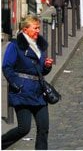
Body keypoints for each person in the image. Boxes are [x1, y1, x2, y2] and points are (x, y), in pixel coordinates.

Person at [2, 15, 54, 150]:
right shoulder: (14, 45)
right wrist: (17, 85)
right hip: (22, 93)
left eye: (39, 28)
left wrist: (47, 66)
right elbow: (6, 67)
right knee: (23, 129)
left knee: (43, 128)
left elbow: (40, 71)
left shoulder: (39, 46)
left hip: (38, 92)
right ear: (25, 30)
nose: (38, 31)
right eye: (35, 28)